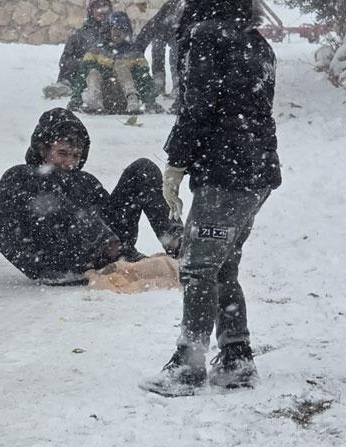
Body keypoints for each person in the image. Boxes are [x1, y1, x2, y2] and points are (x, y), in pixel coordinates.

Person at [140, 0, 281, 397]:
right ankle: (236, 357)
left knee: (199, 268)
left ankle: (188, 365)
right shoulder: (257, 42)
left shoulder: (205, 37)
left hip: (225, 173)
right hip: (258, 172)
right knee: (223, 266)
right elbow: (251, 109)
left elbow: (198, 106)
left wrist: (176, 162)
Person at [0, 108, 182, 285]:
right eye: (62, 153)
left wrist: (119, 251)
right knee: (45, 176)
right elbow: (2, 231)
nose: (69, 163)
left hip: (107, 253)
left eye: (75, 156)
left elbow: (110, 218)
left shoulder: (85, 181)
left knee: (143, 169)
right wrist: (39, 269)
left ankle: (182, 247)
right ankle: (106, 249)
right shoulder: (20, 177)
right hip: (61, 259)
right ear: (43, 150)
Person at [67, 12, 161, 114]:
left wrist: (150, 101)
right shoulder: (96, 51)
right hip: (104, 96)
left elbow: (144, 78)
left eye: (122, 29)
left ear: (127, 32)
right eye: (115, 29)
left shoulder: (135, 53)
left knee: (121, 66)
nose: (118, 33)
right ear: (109, 30)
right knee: (93, 72)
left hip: (123, 98)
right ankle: (95, 103)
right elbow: (83, 74)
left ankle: (132, 99)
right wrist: (76, 98)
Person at [43, 0, 115, 99]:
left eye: (105, 6)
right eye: (97, 7)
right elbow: (65, 61)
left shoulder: (117, 33)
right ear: (91, 10)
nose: (101, 11)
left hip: (109, 76)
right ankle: (65, 86)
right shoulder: (79, 35)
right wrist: (83, 62)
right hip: (82, 75)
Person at [132, 0, 184, 102]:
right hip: (166, 31)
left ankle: (178, 84)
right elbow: (154, 23)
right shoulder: (171, 4)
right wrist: (138, 47)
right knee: (157, 44)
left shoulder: (188, 5)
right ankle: (159, 80)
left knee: (176, 50)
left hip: (181, 35)